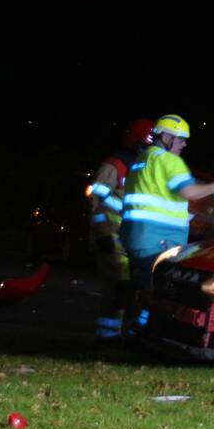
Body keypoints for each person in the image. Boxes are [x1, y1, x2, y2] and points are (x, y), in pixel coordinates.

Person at [120, 115, 214, 295]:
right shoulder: (169, 160)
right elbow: (189, 192)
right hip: (159, 239)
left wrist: (201, 217)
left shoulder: (143, 159)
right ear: (167, 137)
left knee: (142, 290)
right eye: (182, 139)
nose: (184, 144)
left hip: (136, 236)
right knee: (160, 294)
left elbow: (160, 199)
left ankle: (133, 320)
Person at [87, 118, 153, 338]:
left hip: (134, 239)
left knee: (135, 290)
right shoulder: (114, 165)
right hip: (113, 238)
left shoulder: (145, 168)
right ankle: (107, 337)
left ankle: (129, 336)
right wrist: (103, 233)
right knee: (117, 288)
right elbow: (97, 201)